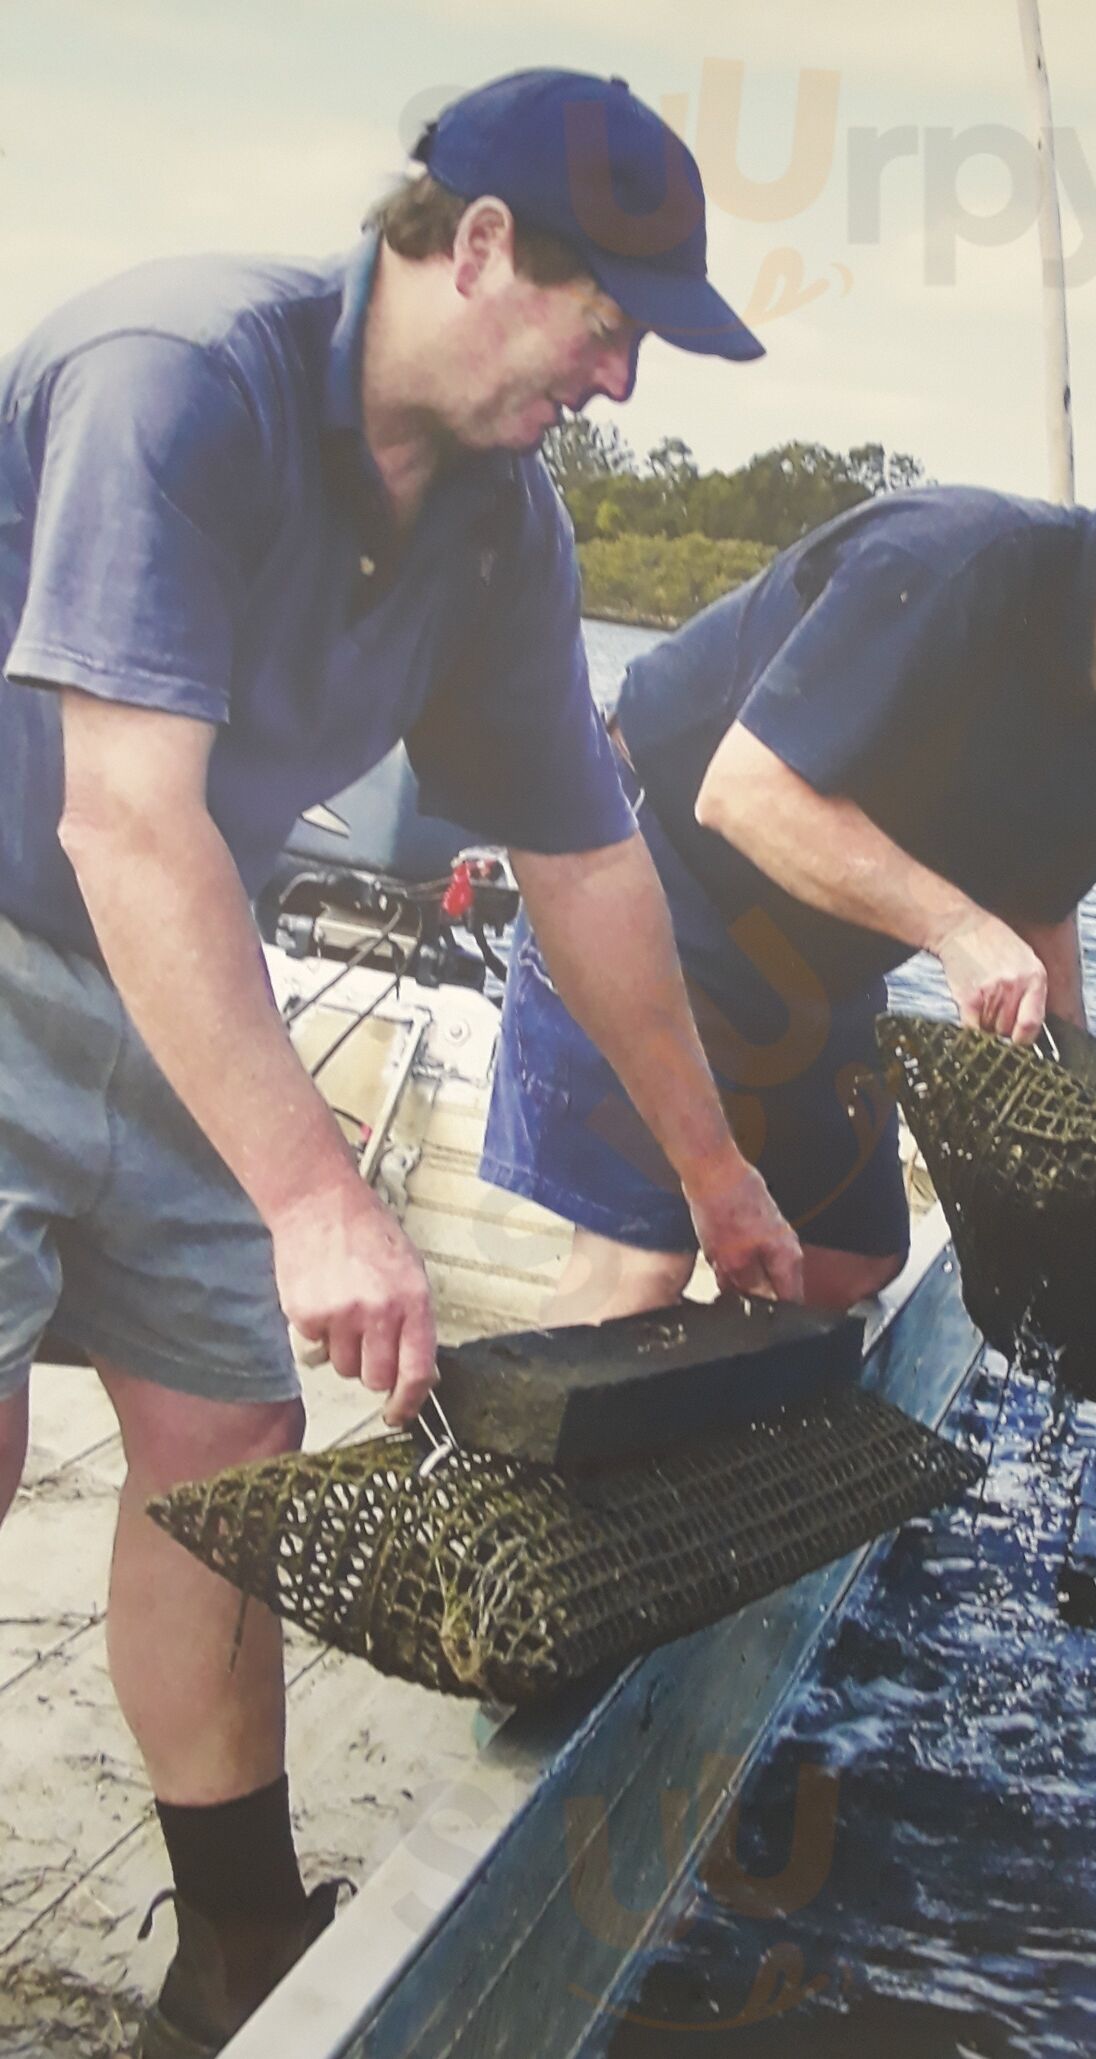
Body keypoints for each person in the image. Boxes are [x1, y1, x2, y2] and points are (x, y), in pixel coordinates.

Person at [0, 68, 803, 2057]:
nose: (619, 383)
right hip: (45, 918)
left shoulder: (505, 531)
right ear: (478, 249)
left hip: (183, 986)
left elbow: (595, 868)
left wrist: (716, 1175)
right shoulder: (178, 374)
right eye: (610, 324)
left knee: (224, 1457)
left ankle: (238, 1946)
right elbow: (124, 820)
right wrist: (312, 1194)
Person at [482, 413, 1096, 1321]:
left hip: (813, 954)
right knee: (643, 1262)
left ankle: (694, 1424)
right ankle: (582, 1409)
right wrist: (957, 929)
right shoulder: (959, 563)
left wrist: (1088, 1113)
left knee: (849, 1259)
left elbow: (1043, 911)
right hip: (654, 866)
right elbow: (740, 794)